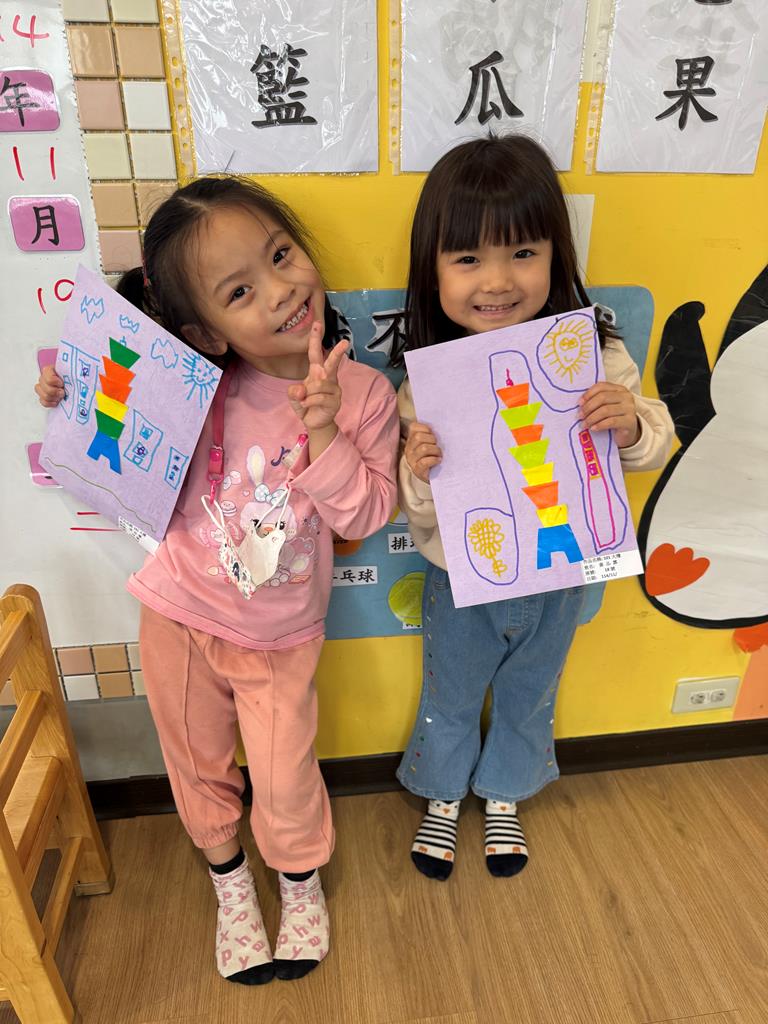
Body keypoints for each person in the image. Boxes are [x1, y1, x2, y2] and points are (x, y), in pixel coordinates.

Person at [36, 177, 399, 982]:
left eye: (281, 255)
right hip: (178, 615)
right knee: (196, 762)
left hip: (281, 637)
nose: (281, 290)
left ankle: (298, 883)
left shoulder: (366, 393)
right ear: (204, 329)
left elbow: (367, 513)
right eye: (240, 291)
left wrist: (325, 430)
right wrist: (75, 396)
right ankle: (230, 884)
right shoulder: (193, 381)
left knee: (284, 774)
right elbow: (114, 444)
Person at [391, 134, 674, 882]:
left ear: (557, 255)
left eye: (522, 252)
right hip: (461, 579)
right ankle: (442, 793)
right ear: (433, 271)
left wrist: (630, 423)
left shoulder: (592, 356)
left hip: (560, 574)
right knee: (451, 693)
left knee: (530, 691)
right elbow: (420, 515)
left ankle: (505, 792)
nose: (497, 280)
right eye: (467, 258)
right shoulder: (429, 382)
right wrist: (418, 471)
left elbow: (652, 445)